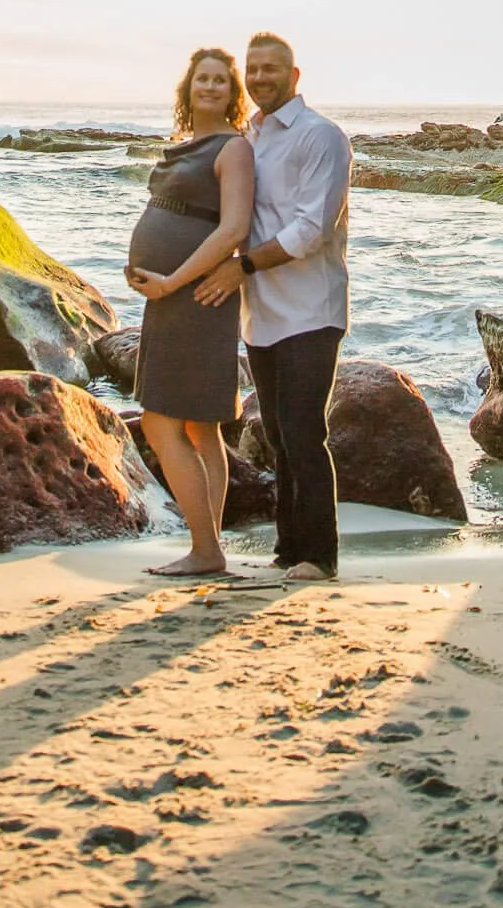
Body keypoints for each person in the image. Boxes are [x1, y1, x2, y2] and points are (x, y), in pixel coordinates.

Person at [196, 31, 350, 583]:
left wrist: (241, 267)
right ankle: (289, 549)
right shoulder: (250, 139)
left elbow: (311, 230)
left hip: (312, 309)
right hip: (260, 313)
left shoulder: (321, 137)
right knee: (280, 434)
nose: (261, 78)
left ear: (295, 76)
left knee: (305, 431)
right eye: (253, 69)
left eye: (272, 69)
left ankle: (320, 556)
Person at [124, 46, 255, 578]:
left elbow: (233, 229)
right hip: (172, 295)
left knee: (160, 422)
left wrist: (173, 281)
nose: (209, 87)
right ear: (188, 87)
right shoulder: (189, 145)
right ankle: (208, 546)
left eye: (220, 81)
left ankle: (205, 548)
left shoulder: (234, 149)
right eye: (201, 79)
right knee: (201, 429)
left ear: (232, 92)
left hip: (197, 296)